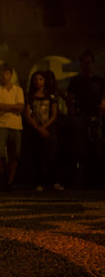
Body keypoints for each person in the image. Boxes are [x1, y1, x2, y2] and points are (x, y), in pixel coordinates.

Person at [66, 51, 105, 187]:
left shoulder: (100, 80)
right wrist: (73, 116)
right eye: (84, 63)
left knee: (97, 147)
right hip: (81, 116)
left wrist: (101, 113)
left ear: (93, 63)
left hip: (96, 118)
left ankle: (97, 179)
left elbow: (104, 99)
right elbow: (70, 99)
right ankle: (81, 178)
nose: (87, 65)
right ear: (81, 64)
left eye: (89, 63)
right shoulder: (76, 80)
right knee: (80, 148)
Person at [25, 71, 63, 192]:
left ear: (45, 81)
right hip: (35, 129)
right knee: (37, 156)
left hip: (49, 129)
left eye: (41, 79)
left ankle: (54, 181)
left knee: (51, 155)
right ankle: (38, 182)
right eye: (36, 80)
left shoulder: (51, 96)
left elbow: (54, 114)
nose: (38, 82)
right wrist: (37, 127)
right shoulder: (30, 96)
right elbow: (28, 114)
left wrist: (45, 127)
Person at [0, 63, 24, 191]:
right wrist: (13, 107)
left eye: (6, 73)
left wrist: (4, 106)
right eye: (2, 73)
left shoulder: (18, 90)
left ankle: (10, 182)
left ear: (11, 74)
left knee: (15, 154)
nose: (4, 76)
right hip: (1, 124)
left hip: (16, 125)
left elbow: (20, 107)